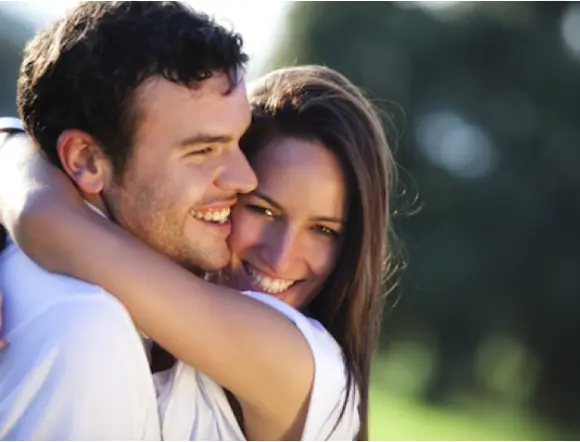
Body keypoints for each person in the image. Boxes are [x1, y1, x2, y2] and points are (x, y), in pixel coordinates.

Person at [0, 64, 399, 440]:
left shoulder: (308, 370)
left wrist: (11, 146)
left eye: (324, 231)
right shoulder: (146, 299)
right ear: (224, 192)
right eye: (263, 210)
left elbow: (47, 219)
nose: (280, 258)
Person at [0, 1, 255, 439]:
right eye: (202, 151)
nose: (246, 178)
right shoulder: (85, 330)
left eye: (239, 141)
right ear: (86, 160)